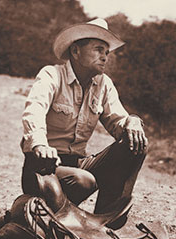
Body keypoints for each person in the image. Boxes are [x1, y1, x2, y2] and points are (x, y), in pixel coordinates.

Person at [20, 18, 148, 223]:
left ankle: (106, 222)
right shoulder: (51, 75)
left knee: (135, 143)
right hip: (43, 167)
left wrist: (132, 121)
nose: (105, 57)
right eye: (98, 49)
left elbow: (118, 121)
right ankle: (45, 214)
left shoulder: (104, 84)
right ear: (76, 51)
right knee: (83, 181)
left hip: (78, 163)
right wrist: (40, 144)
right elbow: (33, 110)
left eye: (107, 52)